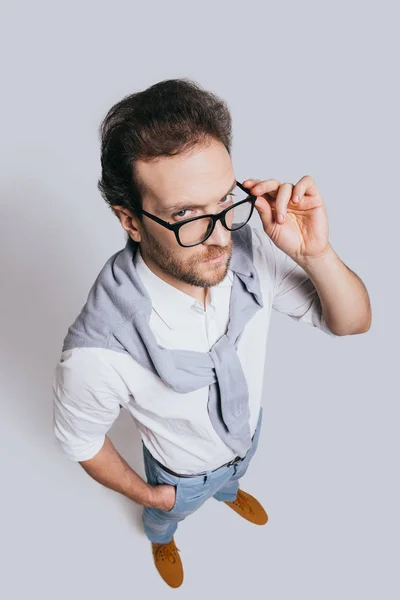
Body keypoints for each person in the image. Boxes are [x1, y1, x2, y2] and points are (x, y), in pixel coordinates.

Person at [52, 78, 372, 589]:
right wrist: (152, 496)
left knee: (235, 475)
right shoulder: (96, 353)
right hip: (178, 476)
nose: (222, 235)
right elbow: (81, 440)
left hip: (247, 438)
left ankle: (230, 488)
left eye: (224, 199)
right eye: (185, 215)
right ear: (130, 221)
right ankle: (162, 536)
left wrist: (316, 255)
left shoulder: (250, 245)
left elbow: (352, 323)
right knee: (165, 518)